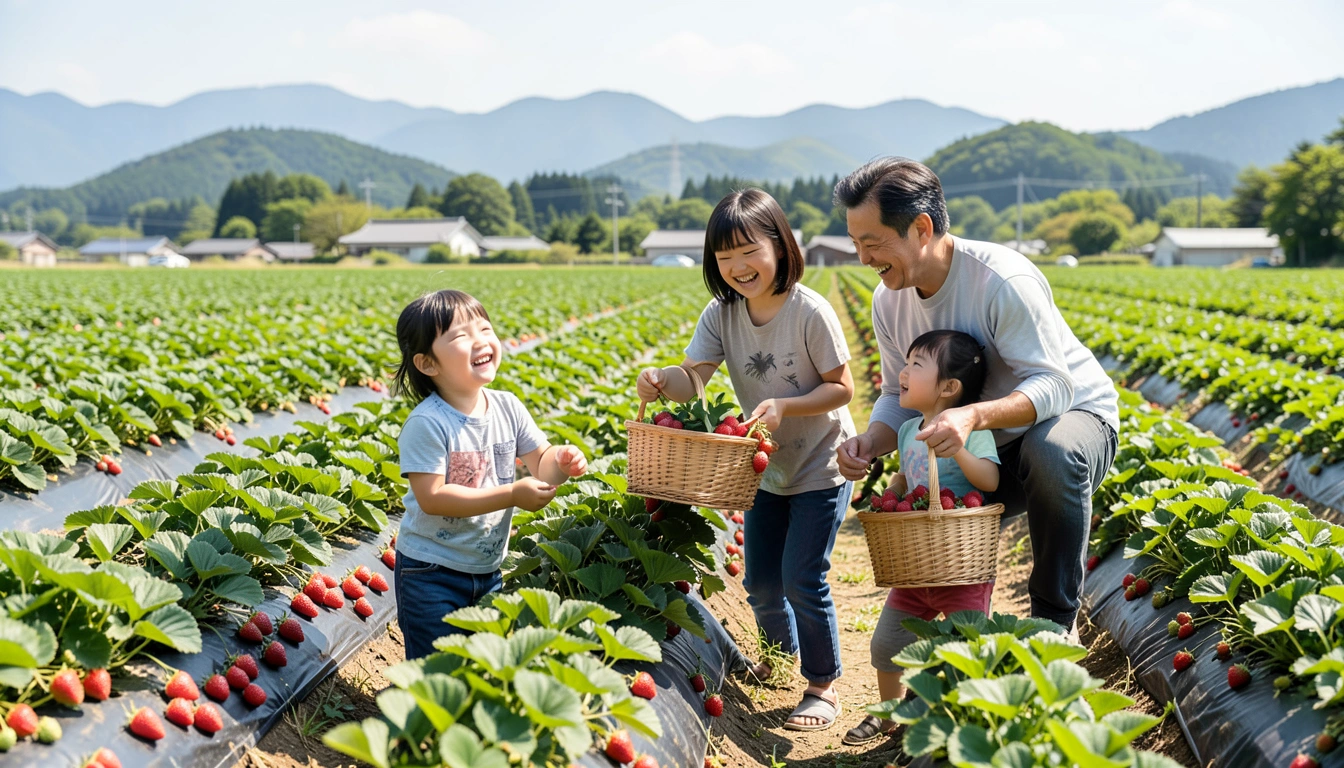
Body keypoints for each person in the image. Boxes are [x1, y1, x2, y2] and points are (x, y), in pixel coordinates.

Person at [834, 157, 1119, 634]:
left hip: (1072, 417)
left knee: (1050, 452)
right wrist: (872, 441)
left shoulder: (1001, 280)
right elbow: (894, 394)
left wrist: (970, 417)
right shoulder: (889, 299)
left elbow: (1054, 385)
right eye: (856, 244)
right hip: (984, 444)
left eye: (873, 242)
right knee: (932, 498)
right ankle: (941, 642)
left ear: (921, 228)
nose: (863, 258)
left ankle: (1054, 623)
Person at [635, 188, 856, 731]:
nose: (738, 267)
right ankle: (778, 659)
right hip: (764, 467)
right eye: (724, 256)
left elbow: (842, 388)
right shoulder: (722, 313)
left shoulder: (809, 310)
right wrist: (664, 381)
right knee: (760, 580)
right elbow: (696, 377)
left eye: (749, 251)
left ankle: (823, 685)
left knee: (803, 575)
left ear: (780, 245)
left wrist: (786, 404)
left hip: (822, 463)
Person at [390, 289, 588, 659]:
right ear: (428, 364)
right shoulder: (427, 424)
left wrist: (561, 462)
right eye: (462, 336)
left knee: (482, 663)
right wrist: (511, 495)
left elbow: (540, 460)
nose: (481, 341)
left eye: (484, 328)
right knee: (436, 668)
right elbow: (433, 499)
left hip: (488, 567)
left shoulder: (507, 407)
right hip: (430, 572)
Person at [842, 330, 1000, 746]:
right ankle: (890, 717)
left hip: (961, 563)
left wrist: (959, 449)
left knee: (967, 649)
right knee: (886, 645)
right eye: (906, 362)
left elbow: (990, 479)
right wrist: (889, 496)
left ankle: (956, 721)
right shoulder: (908, 428)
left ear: (949, 388)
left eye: (916, 365)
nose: (903, 371)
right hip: (914, 564)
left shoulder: (973, 429)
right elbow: (906, 473)